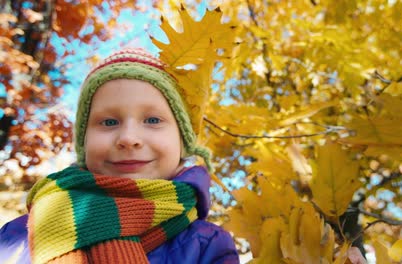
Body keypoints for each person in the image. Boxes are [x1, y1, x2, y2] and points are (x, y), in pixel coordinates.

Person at [0, 48, 239, 263]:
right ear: (84, 143)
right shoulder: (19, 236)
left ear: (183, 142)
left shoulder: (207, 245)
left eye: (153, 120)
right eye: (109, 122)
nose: (128, 138)